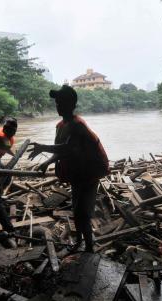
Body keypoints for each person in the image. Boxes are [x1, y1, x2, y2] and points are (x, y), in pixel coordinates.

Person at [28, 85, 109, 252]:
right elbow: (59, 149)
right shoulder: (60, 125)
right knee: (76, 209)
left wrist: (42, 147)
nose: (58, 106)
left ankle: (89, 248)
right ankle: (79, 241)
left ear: (72, 104)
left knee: (83, 213)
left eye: (61, 102)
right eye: (57, 103)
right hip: (76, 173)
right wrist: (47, 162)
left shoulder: (78, 125)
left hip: (89, 174)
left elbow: (68, 148)